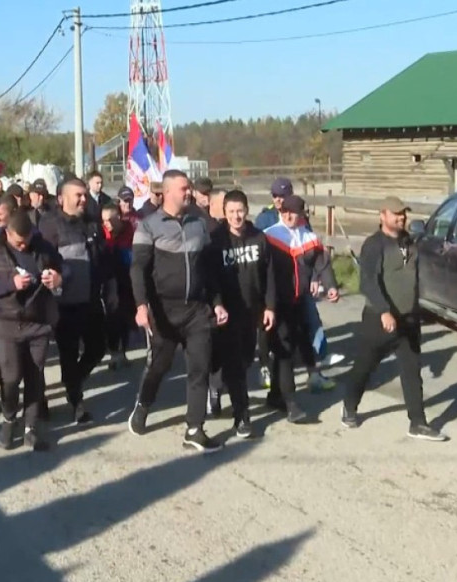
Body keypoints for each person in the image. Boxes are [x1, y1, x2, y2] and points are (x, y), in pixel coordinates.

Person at [127, 170, 228, 452]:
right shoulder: (148, 226)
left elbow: (208, 268)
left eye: (189, 188)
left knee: (199, 368)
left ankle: (194, 429)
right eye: (184, 188)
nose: (189, 192)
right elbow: (138, 269)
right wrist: (141, 305)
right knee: (160, 365)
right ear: (168, 191)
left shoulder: (198, 224)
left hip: (196, 309)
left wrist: (217, 302)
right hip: (163, 310)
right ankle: (143, 404)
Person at [341, 197, 448, 441]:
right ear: (383, 215)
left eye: (403, 214)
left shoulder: (408, 241)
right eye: (396, 214)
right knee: (365, 366)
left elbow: (413, 277)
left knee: (411, 370)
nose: (401, 217)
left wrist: (421, 308)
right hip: (379, 319)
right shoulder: (374, 245)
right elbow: (368, 282)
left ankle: (418, 423)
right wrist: (384, 311)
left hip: (408, 318)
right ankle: (349, 404)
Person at [0, 210, 64, 451]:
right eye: (18, 242)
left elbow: (64, 268)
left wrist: (58, 278)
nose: (23, 246)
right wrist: (9, 284)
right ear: (7, 233)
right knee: (11, 377)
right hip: (7, 323)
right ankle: (9, 419)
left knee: (35, 376)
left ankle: (30, 428)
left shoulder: (41, 246)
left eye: (26, 241)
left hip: (38, 322)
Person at [264, 194, 339, 422]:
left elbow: (322, 263)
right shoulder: (269, 236)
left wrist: (330, 286)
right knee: (285, 351)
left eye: (294, 212)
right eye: (285, 211)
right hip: (276, 303)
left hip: (299, 301)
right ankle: (291, 405)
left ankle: (275, 395)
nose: (289, 216)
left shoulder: (309, 237)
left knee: (290, 348)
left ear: (302, 215)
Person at [38, 178, 106, 423]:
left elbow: (101, 258)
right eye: (78, 195)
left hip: (91, 299)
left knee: (98, 348)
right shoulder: (50, 225)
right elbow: (42, 262)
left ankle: (72, 380)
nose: (83, 199)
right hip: (64, 304)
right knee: (68, 353)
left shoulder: (91, 223)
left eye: (85, 195)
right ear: (61, 198)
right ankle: (77, 402)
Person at [210, 190, 275, 438]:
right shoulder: (216, 240)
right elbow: (210, 277)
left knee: (246, 359)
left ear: (247, 211)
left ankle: (217, 386)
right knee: (235, 365)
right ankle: (242, 416)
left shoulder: (259, 238)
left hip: (252, 311)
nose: (236, 216)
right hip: (227, 313)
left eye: (240, 211)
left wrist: (270, 306)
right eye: (231, 212)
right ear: (224, 213)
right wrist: (216, 303)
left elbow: (269, 275)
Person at [100, 202, 135, 370]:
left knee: (126, 315)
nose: (106, 224)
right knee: (112, 315)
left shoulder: (130, 230)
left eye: (109, 220)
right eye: (103, 220)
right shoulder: (102, 234)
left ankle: (123, 351)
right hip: (110, 280)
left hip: (127, 277)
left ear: (119, 218)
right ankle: (114, 353)